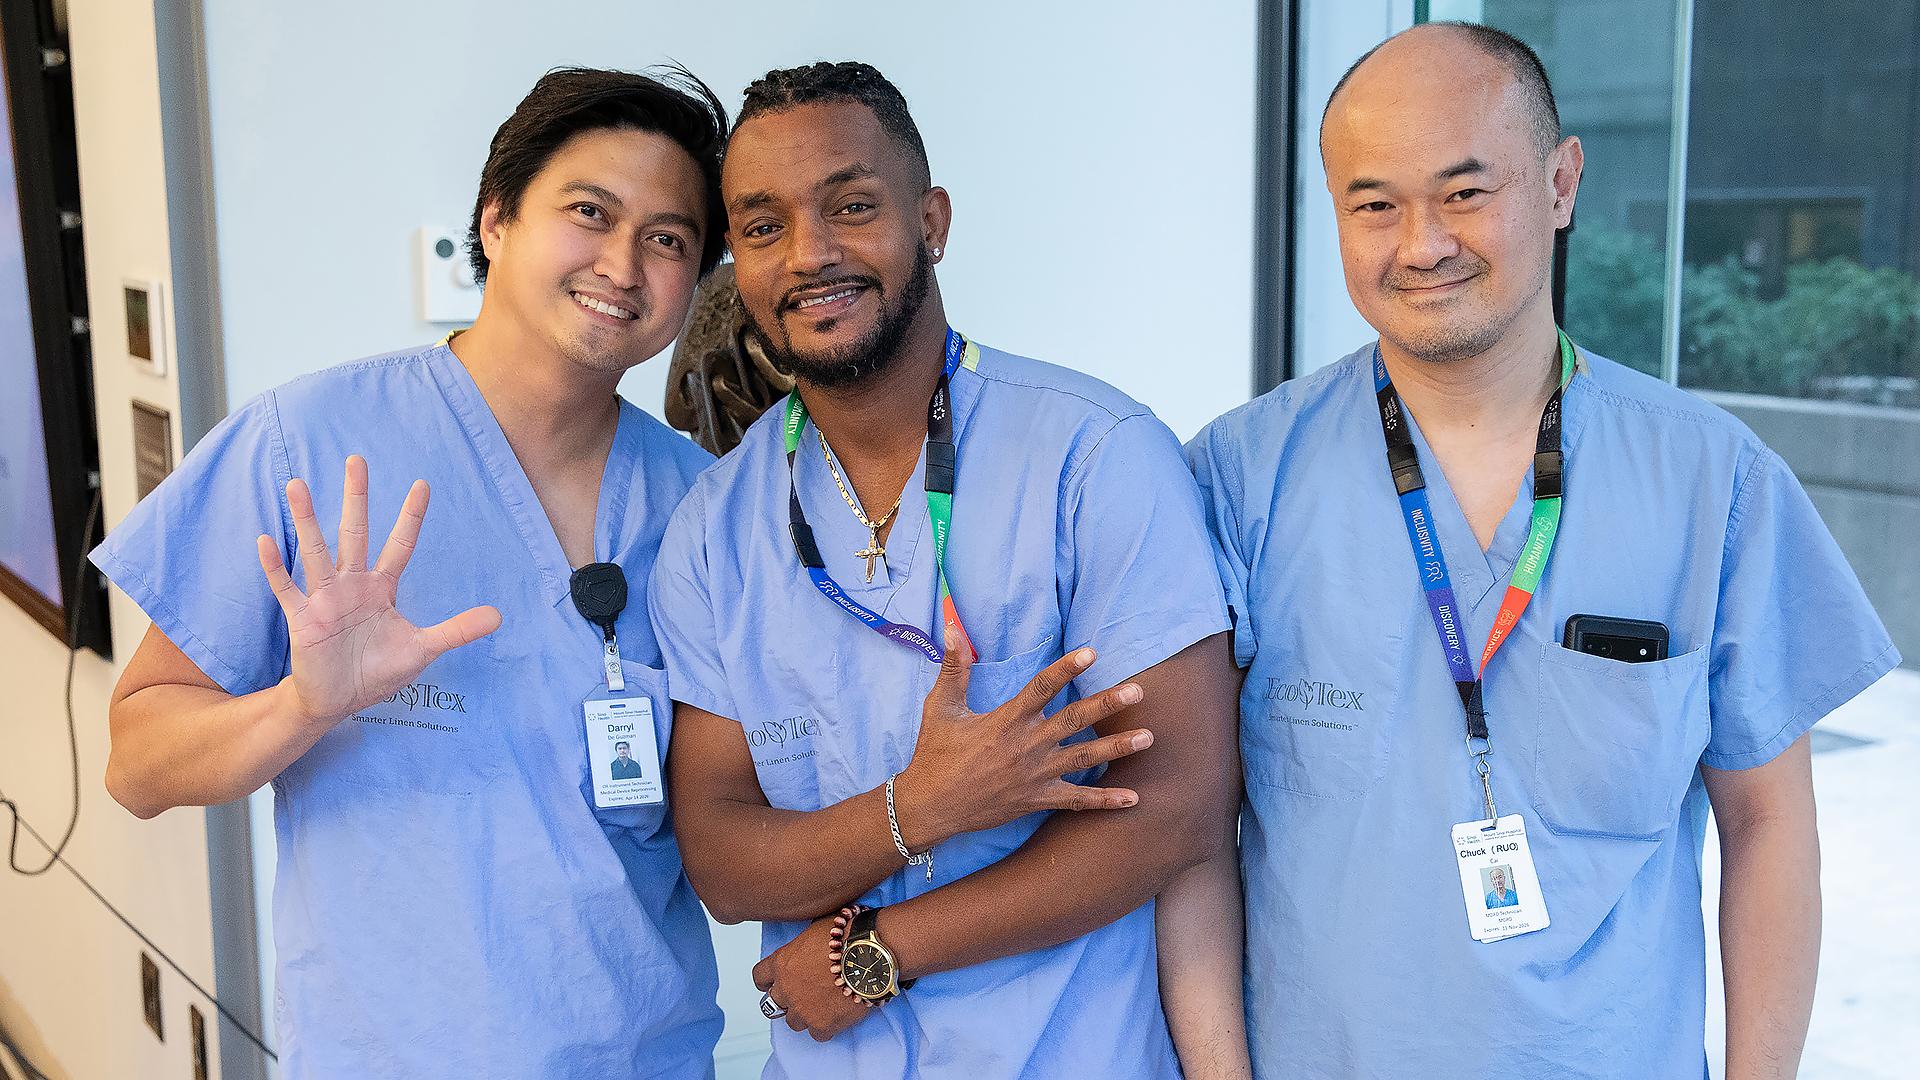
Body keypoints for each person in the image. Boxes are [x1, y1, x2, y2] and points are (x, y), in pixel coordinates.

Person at [1186, 22, 1898, 1079]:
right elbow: (1188, 841)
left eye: (1466, 192)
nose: (1421, 242)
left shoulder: (1714, 482)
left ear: (1563, 183)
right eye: (1373, 203)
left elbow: (1769, 828)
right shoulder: (1238, 481)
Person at [91, 68, 731, 1078]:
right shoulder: (308, 443)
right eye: (589, 213)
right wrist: (301, 706)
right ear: (495, 223)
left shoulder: (706, 507)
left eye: (668, 238)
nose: (623, 262)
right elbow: (135, 763)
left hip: (645, 1053)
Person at [650, 62, 1249, 1079]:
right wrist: (921, 808)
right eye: (762, 226)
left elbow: (1181, 800)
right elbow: (721, 858)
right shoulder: (713, 528)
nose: (812, 254)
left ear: (931, 220)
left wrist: (880, 957)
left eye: (851, 206)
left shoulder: (1094, 455)